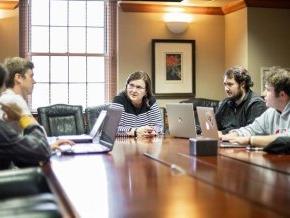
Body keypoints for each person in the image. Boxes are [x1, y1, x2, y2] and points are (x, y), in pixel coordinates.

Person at [0, 58, 72, 170]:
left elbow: (25, 143)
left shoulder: (7, 98)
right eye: (31, 76)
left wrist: (48, 146)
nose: (34, 81)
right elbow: (41, 141)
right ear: (18, 78)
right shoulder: (15, 101)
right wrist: (46, 147)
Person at [222, 67, 290, 147]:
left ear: (282, 95)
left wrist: (250, 140)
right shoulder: (271, 112)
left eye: (268, 90)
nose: (263, 93)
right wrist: (231, 135)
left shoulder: (257, 103)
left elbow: (286, 138)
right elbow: (252, 129)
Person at [215, 66, 267, 135]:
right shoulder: (225, 103)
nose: (226, 89)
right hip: (225, 142)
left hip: (244, 145)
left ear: (242, 84)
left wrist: (223, 133)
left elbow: (251, 132)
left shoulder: (256, 104)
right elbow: (214, 127)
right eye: (225, 84)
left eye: (230, 84)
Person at [111, 71, 163, 137]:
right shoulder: (119, 100)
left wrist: (153, 131)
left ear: (146, 91)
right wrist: (135, 131)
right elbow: (111, 129)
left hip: (146, 144)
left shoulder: (150, 101)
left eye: (139, 87)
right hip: (124, 145)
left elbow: (159, 126)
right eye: (131, 85)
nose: (134, 90)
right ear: (126, 86)